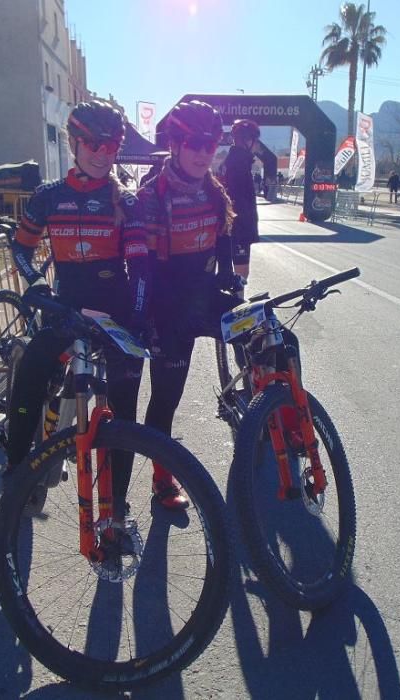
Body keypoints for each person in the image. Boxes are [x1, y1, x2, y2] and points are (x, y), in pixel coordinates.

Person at [4, 100, 150, 519]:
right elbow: (21, 248)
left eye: (113, 146)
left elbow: (140, 267)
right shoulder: (49, 197)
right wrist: (34, 282)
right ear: (74, 143)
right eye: (94, 144)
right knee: (33, 370)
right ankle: (16, 468)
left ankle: (117, 505)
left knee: (125, 405)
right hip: (65, 309)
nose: (103, 154)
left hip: (114, 312)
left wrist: (137, 318)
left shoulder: (127, 201)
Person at [126, 100, 244, 507]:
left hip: (204, 297)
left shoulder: (213, 190)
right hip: (169, 309)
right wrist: (151, 319)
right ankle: (162, 481)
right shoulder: (152, 197)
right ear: (175, 143)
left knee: (267, 333)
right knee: (166, 398)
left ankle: (264, 418)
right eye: (194, 143)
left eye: (210, 144)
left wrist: (230, 273)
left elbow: (225, 233)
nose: (202, 152)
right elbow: (146, 270)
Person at [222, 118, 261, 284]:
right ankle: (237, 307)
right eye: (256, 140)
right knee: (241, 275)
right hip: (238, 229)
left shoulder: (236, 161)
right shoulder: (238, 164)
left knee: (235, 274)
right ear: (248, 140)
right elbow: (238, 201)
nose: (257, 145)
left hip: (233, 228)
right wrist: (246, 230)